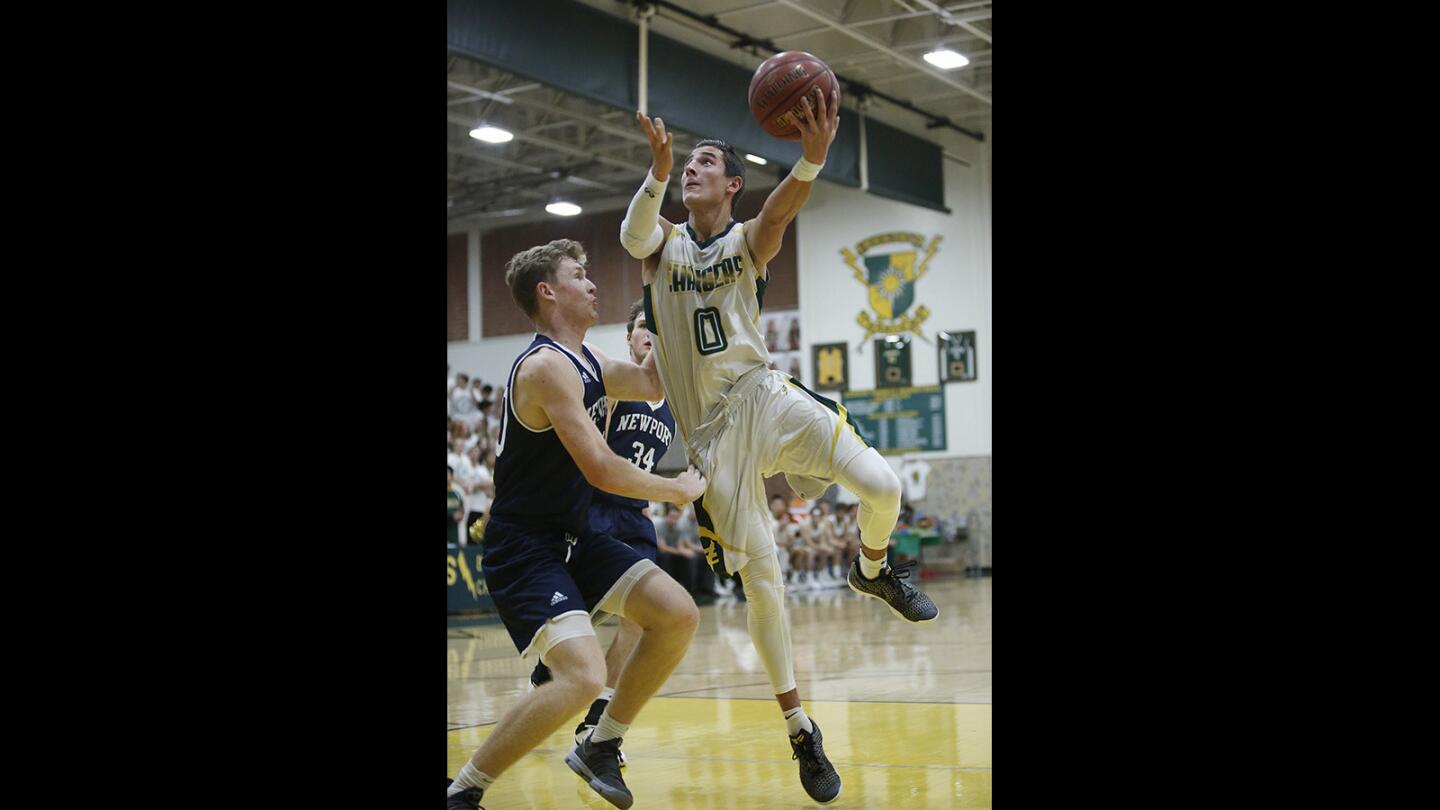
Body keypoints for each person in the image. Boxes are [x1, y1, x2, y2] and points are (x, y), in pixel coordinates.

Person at [620, 87, 938, 803]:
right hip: (710, 438)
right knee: (764, 580)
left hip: (764, 394)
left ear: (733, 183)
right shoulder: (661, 247)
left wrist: (811, 163)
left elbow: (778, 215)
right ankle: (800, 728)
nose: (693, 169)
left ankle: (874, 569)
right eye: (689, 163)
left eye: (706, 161)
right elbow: (632, 234)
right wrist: (659, 169)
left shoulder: (746, 241)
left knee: (884, 487)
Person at [447, 239, 708, 810]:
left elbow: (650, 384)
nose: (592, 285)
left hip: (574, 537)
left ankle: (601, 744)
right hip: (525, 546)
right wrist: (677, 489)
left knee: (676, 614)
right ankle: (464, 791)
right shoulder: (545, 368)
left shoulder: (587, 360)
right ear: (548, 291)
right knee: (583, 676)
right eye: (579, 275)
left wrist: (666, 299)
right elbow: (602, 467)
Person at [526, 298, 681, 765]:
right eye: (640, 326)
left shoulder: (675, 400)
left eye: (656, 328)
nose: (648, 334)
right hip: (593, 509)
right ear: (630, 338)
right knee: (588, 609)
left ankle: (596, 720)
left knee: (640, 619)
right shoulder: (611, 387)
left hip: (635, 515)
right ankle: (551, 664)